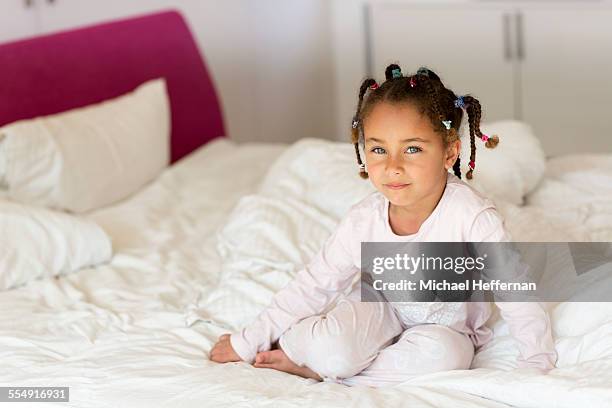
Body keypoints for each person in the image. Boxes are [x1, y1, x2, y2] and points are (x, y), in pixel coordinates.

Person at [210, 64, 557, 387]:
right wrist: (246, 341)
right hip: (379, 305)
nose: (393, 167)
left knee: (447, 358)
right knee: (332, 347)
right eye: (378, 150)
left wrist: (536, 362)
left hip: (444, 327)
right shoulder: (364, 219)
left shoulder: (473, 217)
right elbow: (314, 284)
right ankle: (310, 354)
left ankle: (318, 371)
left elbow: (516, 291)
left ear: (449, 153)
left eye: (413, 150)